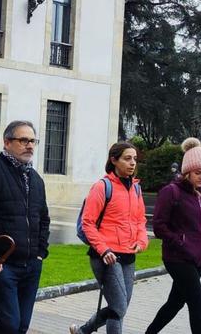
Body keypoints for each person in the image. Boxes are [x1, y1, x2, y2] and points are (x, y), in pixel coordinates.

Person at [0, 120, 51, 333]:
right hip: (3, 266)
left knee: (21, 326)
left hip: (32, 266)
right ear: (7, 142)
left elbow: (44, 219)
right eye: (23, 140)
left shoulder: (36, 179)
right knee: (10, 325)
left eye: (33, 141)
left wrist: (40, 253)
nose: (30, 145)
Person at [69, 141, 148, 334]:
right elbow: (88, 223)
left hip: (129, 254)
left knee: (119, 307)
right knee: (119, 307)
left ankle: (82, 331)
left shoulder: (136, 189)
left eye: (135, 159)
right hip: (106, 257)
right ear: (114, 160)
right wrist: (103, 249)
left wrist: (142, 240)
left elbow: (140, 220)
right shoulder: (102, 187)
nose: (132, 163)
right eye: (127, 159)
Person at [144, 138, 201, 334]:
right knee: (199, 304)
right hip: (178, 258)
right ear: (186, 172)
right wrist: (180, 241)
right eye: (197, 173)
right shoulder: (171, 192)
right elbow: (159, 225)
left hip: (199, 259)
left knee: (175, 303)